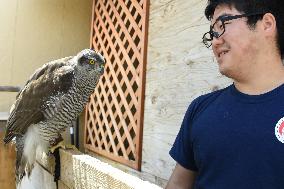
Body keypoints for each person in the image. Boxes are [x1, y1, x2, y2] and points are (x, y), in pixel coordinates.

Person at [166, 0, 284, 188]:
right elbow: (178, 185)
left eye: (222, 26)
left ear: (266, 24)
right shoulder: (200, 109)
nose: (215, 41)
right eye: (212, 33)